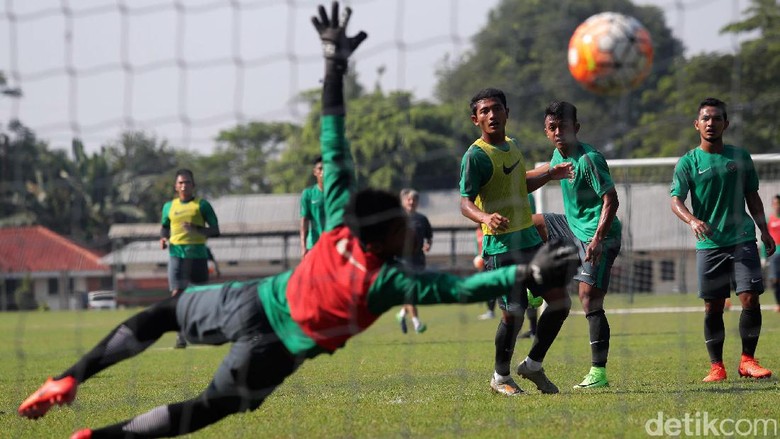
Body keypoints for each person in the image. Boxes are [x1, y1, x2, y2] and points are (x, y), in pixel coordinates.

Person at [17, 4, 578, 437]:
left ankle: (70, 376)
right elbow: (465, 287)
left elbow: (332, 135)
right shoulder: (388, 282)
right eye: (402, 226)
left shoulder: (339, 219)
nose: (412, 228)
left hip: (249, 298)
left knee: (163, 314)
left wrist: (334, 63)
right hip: (275, 349)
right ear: (385, 236)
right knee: (209, 409)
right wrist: (528, 275)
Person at [459, 87, 574, 396]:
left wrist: (551, 174)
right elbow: (465, 202)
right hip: (499, 248)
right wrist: (485, 218)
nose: (491, 114)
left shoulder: (513, 146)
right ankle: (500, 377)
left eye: (497, 108)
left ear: (507, 113)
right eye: (484, 111)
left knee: (561, 302)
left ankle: (533, 365)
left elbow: (520, 184)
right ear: (475, 119)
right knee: (515, 312)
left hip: (529, 242)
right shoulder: (475, 156)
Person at [670, 97, 776, 383]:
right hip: (709, 245)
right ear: (697, 124)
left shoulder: (740, 157)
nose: (711, 123)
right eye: (705, 118)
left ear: (725, 124)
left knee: (750, 298)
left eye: (716, 118)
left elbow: (753, 197)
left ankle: (748, 361)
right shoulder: (688, 162)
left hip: (742, 238)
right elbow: (675, 199)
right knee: (713, 306)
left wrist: (764, 230)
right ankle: (716, 366)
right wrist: (692, 220)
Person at [531, 101, 622, 389]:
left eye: (564, 127)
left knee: (588, 299)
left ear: (576, 128)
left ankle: (599, 373)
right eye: (552, 128)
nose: (559, 132)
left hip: (600, 235)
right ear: (546, 131)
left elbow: (612, 200)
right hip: (572, 228)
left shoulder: (589, 160)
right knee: (531, 223)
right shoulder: (557, 156)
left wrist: (596, 240)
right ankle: (535, 287)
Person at [160, 168, 220, 349]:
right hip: (176, 255)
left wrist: (196, 228)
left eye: (187, 182)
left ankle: (202, 330)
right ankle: (180, 334)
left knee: (199, 296)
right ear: (175, 186)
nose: (184, 185)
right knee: (177, 294)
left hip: (198, 256)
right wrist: (163, 238)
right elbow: (164, 227)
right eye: (181, 182)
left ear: (193, 185)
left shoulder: (202, 205)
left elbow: (216, 230)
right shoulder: (168, 207)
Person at [395, 188, 432, 334]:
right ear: (403, 202)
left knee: (414, 290)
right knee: (409, 289)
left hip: (419, 259)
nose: (411, 202)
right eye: (408, 199)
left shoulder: (422, 219)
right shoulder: (397, 219)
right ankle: (416, 323)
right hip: (402, 260)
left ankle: (402, 314)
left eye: (414, 199)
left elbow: (429, 236)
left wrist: (428, 244)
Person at [300, 156, 326, 258]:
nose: (323, 172)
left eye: (326, 169)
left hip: (333, 245)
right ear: (315, 172)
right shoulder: (308, 194)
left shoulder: (336, 194)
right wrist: (303, 247)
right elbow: (304, 221)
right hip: (314, 246)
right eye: (320, 169)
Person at [768, 195, 780, 313]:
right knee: (775, 280)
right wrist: (763, 256)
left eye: (779, 203)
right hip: (775, 254)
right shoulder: (770, 220)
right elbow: (766, 238)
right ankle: (778, 303)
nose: (777, 206)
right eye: (775, 203)